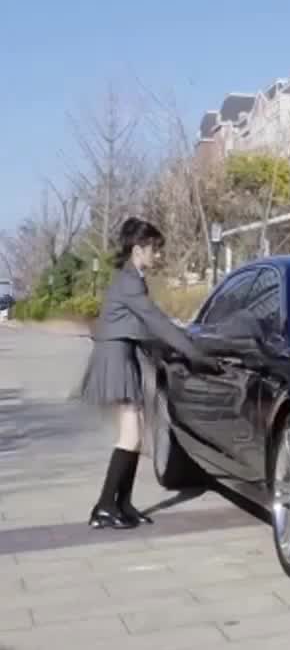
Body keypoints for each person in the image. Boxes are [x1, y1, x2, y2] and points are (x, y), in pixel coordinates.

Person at [79, 217, 210, 530]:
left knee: (135, 434)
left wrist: (181, 341)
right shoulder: (129, 282)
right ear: (138, 249)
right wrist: (195, 354)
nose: (158, 255)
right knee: (131, 435)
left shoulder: (132, 279)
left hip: (124, 355)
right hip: (116, 358)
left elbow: (147, 325)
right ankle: (104, 507)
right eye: (154, 249)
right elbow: (157, 322)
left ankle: (122, 504)